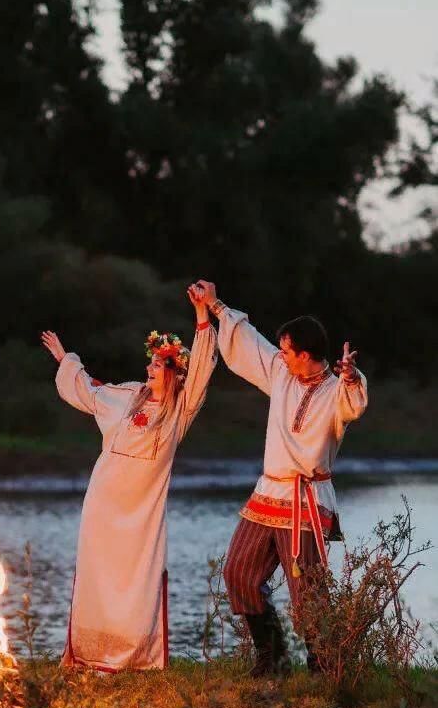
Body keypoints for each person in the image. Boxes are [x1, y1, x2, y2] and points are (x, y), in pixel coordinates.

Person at [195, 279, 367, 675]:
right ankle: (272, 655)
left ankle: (323, 666)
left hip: (307, 499)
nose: (282, 356)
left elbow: (355, 402)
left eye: (289, 351)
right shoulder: (281, 374)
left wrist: (352, 375)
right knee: (238, 570)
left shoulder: (335, 392)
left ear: (306, 355)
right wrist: (216, 304)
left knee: (308, 590)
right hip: (268, 492)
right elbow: (249, 343)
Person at [41, 284, 217, 671]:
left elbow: (203, 368)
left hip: (141, 511)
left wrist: (203, 316)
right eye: (151, 363)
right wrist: (65, 359)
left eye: (157, 364)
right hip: (104, 500)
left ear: (173, 371)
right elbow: (88, 391)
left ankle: (133, 654)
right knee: (97, 574)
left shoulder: (179, 410)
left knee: (136, 579)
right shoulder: (127, 395)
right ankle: (90, 653)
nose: (149, 368)